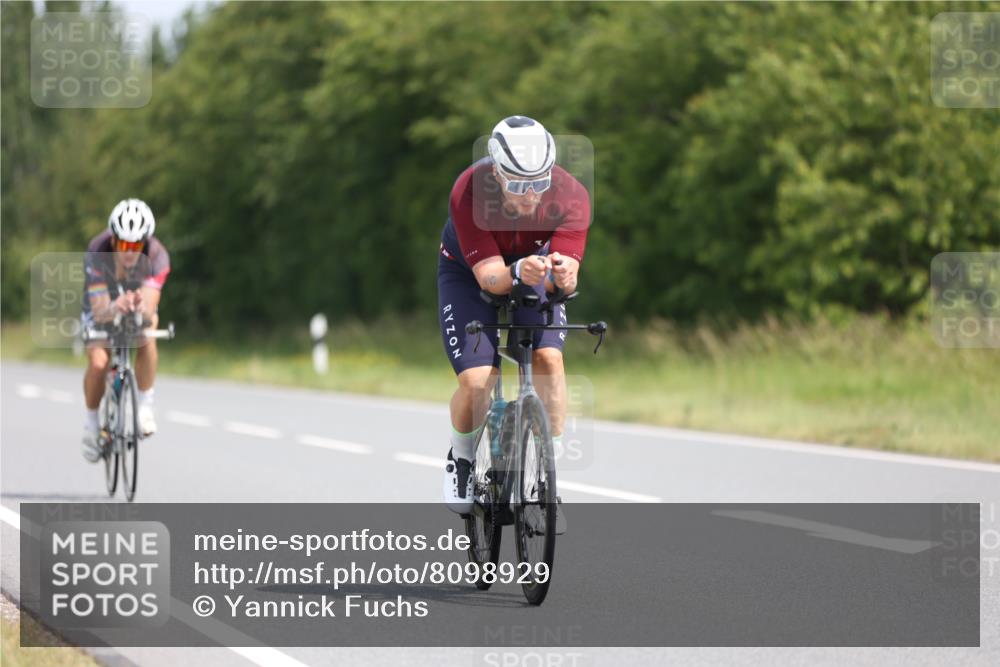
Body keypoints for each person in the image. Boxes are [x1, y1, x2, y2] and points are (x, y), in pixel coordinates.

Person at [438, 116, 590, 513]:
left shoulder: (571, 195)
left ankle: (546, 470)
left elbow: (566, 282)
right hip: (469, 274)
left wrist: (565, 276)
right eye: (519, 184)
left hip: (532, 268)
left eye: (539, 183)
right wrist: (518, 271)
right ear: (496, 172)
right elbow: (490, 278)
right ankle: (463, 459)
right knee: (477, 382)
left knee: (549, 359)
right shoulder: (469, 191)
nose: (530, 196)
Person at [81, 199, 170, 462]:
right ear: (113, 239)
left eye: (136, 245)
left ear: (145, 242)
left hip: (135, 298)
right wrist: (114, 307)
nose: (129, 252)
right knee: (98, 363)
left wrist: (140, 307)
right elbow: (98, 311)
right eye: (123, 244)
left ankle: (144, 406)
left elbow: (150, 305)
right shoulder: (97, 251)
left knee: (148, 330)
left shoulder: (158, 256)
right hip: (102, 302)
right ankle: (91, 424)